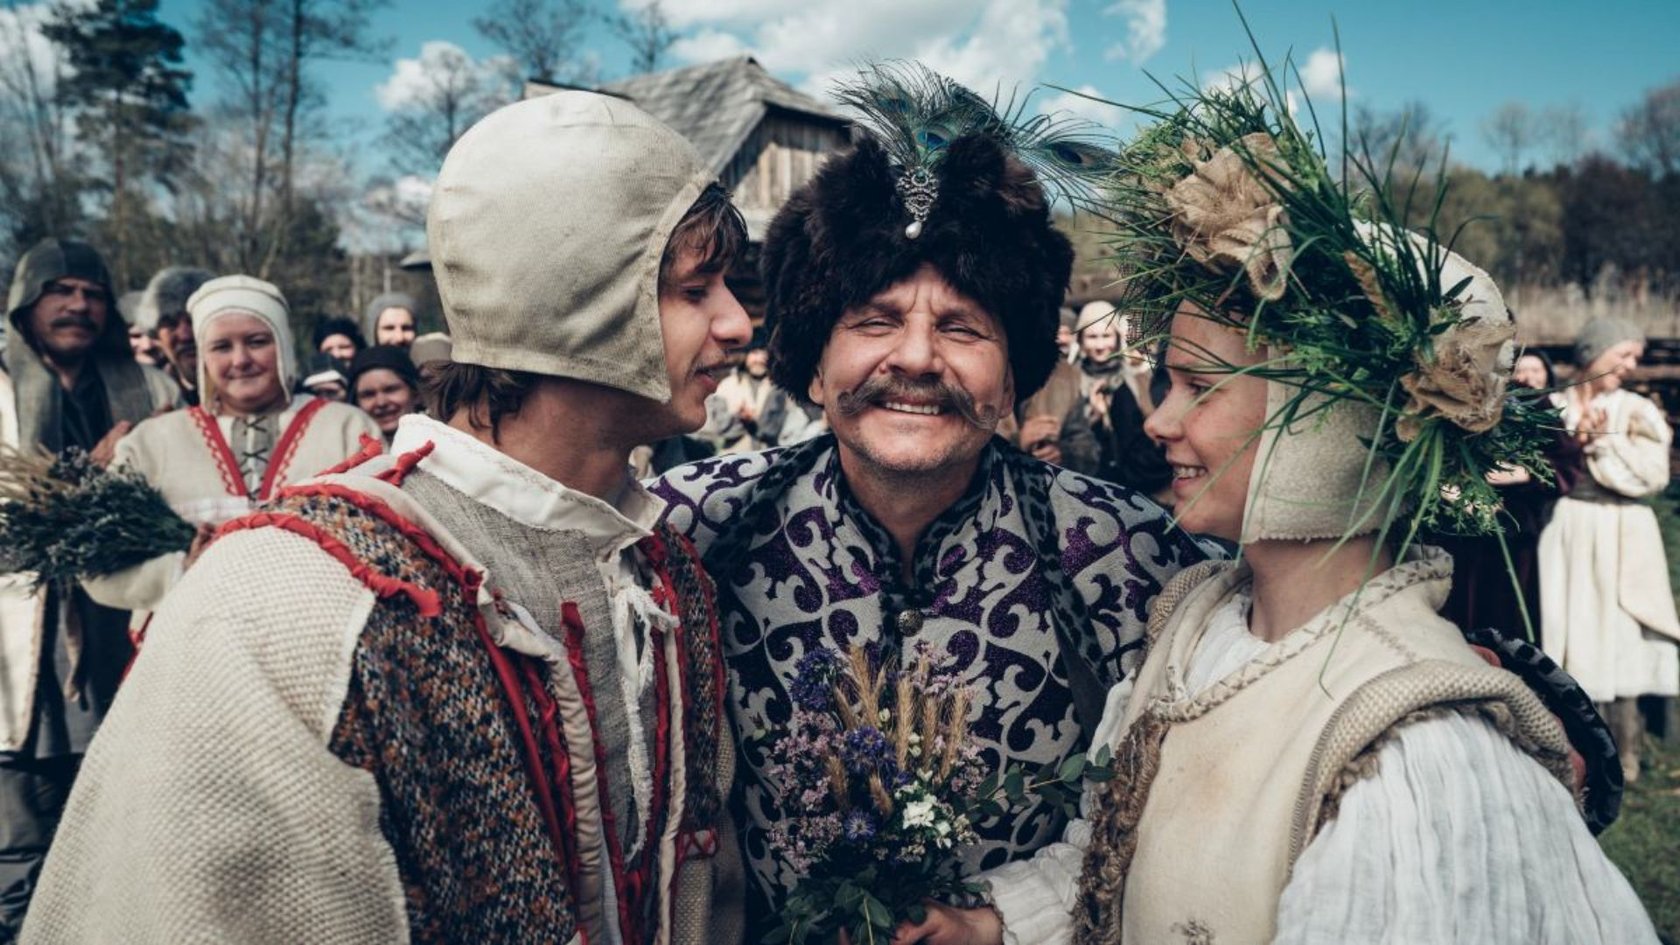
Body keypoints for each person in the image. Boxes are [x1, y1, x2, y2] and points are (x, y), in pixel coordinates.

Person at [24, 91, 751, 945]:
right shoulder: (286, 603)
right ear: (571, 304)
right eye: (694, 289)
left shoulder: (663, 574)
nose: (737, 322)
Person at [937, 86, 1654, 945]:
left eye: (1199, 386)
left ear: (1325, 425)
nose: (1160, 421)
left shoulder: (1409, 750)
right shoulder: (1197, 624)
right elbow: (1117, 855)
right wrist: (993, 923)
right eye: (1166, 382)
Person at [649, 64, 1212, 931]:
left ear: (1014, 374)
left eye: (961, 327)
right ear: (812, 361)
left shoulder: (1127, 555)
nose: (915, 357)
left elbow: (1183, 802)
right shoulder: (692, 528)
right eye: (874, 320)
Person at [0, 239, 178, 937]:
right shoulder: (2, 391)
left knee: (119, 831)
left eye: (94, 293)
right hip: (20, 642)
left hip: (122, 633)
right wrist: (81, 484)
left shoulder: (151, 391)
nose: (79, 305)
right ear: (26, 302)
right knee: (19, 838)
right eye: (62, 290)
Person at [77, 275, 381, 643]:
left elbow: (386, 542)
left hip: (318, 643)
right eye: (221, 346)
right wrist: (179, 570)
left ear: (283, 344)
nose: (241, 360)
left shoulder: (347, 428)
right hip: (188, 651)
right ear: (202, 356)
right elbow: (94, 561)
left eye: (257, 341)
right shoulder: (152, 442)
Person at [1540, 317, 1680, 783]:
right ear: (1594, 353)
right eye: (1624, 353)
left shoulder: (1635, 411)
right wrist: (1574, 442)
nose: (1631, 364)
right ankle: (1566, 745)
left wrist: (1600, 446)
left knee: (1620, 631)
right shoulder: (1553, 407)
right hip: (1567, 526)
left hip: (1622, 528)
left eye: (1636, 356)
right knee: (1567, 624)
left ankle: (1625, 749)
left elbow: (1652, 476)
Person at [1434, 348, 1581, 641]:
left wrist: (1522, 473)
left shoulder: (1529, 401)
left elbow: (1566, 465)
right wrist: (1448, 489)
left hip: (1510, 532)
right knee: (1451, 625)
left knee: (1504, 626)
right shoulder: (1437, 396)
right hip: (1450, 531)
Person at [1076, 301, 1171, 501]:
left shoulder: (1138, 377)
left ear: (1117, 337)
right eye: (1092, 337)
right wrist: (1094, 417)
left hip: (1142, 484)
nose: (1100, 345)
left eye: (1106, 336)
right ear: (1081, 340)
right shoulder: (1070, 381)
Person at [134, 266, 214, 408]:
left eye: (193, 320)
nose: (185, 336)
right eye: (170, 323)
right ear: (156, 333)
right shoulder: (148, 395)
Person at [348, 343, 422, 442]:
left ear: (416, 394)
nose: (381, 403)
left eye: (391, 390)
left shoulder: (440, 442)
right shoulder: (345, 449)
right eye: (368, 394)